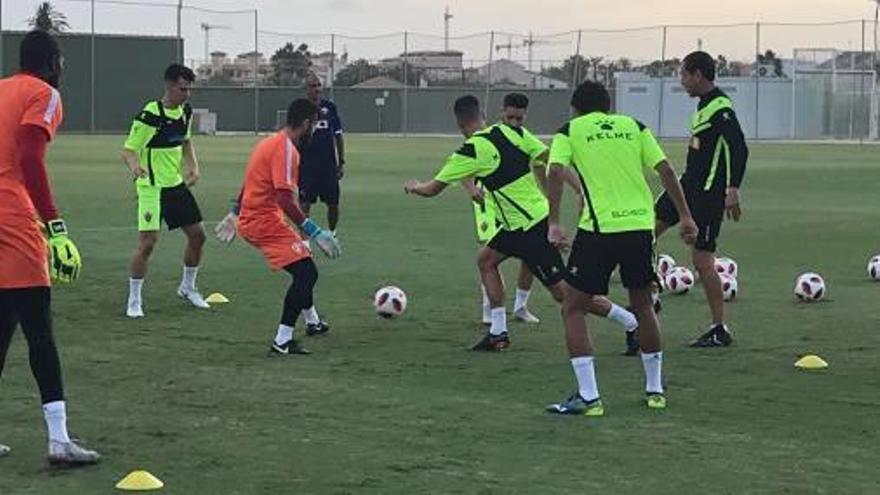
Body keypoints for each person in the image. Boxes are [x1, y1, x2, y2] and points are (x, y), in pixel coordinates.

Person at [405, 95, 639, 352]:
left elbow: (432, 190)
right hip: (517, 227)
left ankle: (631, 323)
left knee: (566, 294)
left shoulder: (468, 151)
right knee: (486, 260)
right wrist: (578, 189)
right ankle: (498, 332)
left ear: (459, 124)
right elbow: (552, 160)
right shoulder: (511, 132)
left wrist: (414, 186)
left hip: (531, 229)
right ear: (483, 114)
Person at [544, 81, 697, 416]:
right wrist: (685, 216)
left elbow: (554, 170)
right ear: (609, 106)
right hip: (640, 228)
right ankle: (655, 390)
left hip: (599, 229)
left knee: (572, 306)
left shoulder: (569, 130)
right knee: (643, 304)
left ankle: (589, 397)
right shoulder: (634, 126)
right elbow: (667, 169)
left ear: (575, 107)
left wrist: (554, 221)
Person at [0, 30, 101, 466]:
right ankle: (58, 440)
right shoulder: (44, 93)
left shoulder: (2, 88)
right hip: (12, 215)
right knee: (39, 326)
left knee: (2, 324)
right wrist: (55, 226)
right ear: (54, 61)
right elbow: (27, 157)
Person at [214, 99, 341, 355]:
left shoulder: (269, 142)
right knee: (307, 274)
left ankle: (313, 322)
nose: (315, 130)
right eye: (314, 125)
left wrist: (234, 212)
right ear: (305, 124)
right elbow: (284, 199)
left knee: (303, 264)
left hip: (262, 219)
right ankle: (282, 341)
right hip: (264, 222)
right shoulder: (286, 150)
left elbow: (250, 181)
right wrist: (315, 231)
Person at [654, 51, 749, 348]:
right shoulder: (703, 107)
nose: (682, 81)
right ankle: (650, 296)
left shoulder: (721, 108)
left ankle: (719, 328)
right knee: (646, 231)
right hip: (686, 187)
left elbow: (739, 148)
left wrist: (732, 188)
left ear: (697, 75)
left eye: (684, 75)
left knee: (702, 259)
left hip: (707, 194)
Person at [466, 92, 585, 326]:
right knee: (487, 258)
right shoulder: (490, 138)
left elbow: (551, 163)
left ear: (525, 116)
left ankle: (519, 307)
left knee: (550, 282)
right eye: (510, 117)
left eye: (519, 119)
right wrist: (471, 188)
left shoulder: (525, 138)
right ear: (501, 112)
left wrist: (578, 189)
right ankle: (491, 315)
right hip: (493, 207)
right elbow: (462, 166)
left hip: (525, 214)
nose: (514, 123)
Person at [121, 63, 209, 318]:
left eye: (190, 89)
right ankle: (134, 300)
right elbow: (128, 149)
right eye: (183, 89)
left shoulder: (185, 111)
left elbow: (186, 141)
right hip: (151, 187)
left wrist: (194, 166)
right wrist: (135, 166)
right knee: (147, 244)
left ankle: (188, 287)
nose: (187, 94)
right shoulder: (151, 115)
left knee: (198, 236)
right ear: (170, 86)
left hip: (175, 185)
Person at [299, 73, 345, 237]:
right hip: (307, 166)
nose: (317, 89)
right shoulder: (300, 109)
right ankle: (305, 243)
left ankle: (332, 234)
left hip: (328, 166)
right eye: (313, 86)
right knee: (304, 205)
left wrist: (341, 162)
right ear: (306, 90)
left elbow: (338, 135)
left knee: (333, 203)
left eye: (319, 85)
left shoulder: (330, 107)